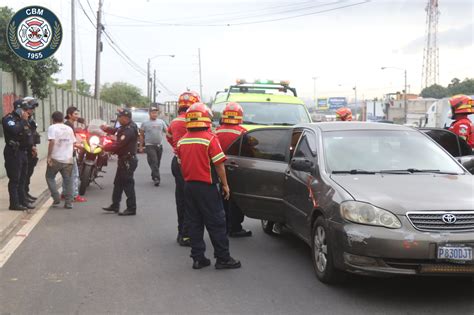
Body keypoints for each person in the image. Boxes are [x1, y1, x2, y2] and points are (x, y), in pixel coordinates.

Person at [177, 102, 241, 270]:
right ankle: (223, 258)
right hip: (207, 187)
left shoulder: (182, 141)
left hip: (189, 187)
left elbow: (181, 162)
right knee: (217, 222)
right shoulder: (210, 138)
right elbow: (219, 164)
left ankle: (198, 258)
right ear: (206, 119)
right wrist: (226, 185)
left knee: (194, 223)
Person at [166, 91, 201, 247]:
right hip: (190, 163)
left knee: (181, 198)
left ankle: (182, 233)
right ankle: (188, 234)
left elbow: (169, 137)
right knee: (192, 199)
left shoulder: (174, 122)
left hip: (177, 161)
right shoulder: (194, 121)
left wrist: (176, 147)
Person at [216, 102, 252, 237]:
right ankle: (235, 227)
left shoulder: (216, 131)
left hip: (218, 169)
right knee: (236, 199)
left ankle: (224, 226)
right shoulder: (242, 132)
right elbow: (249, 152)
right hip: (236, 169)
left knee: (223, 198)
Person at [101, 108, 139, 216]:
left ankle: (131, 208)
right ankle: (115, 205)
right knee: (118, 183)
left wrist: (104, 147)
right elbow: (116, 131)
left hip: (128, 160)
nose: (118, 118)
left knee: (128, 184)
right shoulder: (125, 127)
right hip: (123, 160)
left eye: (119, 116)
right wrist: (106, 129)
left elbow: (118, 145)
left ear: (125, 118)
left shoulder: (129, 130)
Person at [2, 98, 35, 211]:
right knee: (15, 179)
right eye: (24, 109)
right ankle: (14, 204)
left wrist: (32, 147)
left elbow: (29, 135)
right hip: (13, 152)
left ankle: (23, 201)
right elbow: (14, 130)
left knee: (23, 179)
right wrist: (23, 121)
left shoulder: (24, 120)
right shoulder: (8, 119)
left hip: (23, 152)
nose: (27, 111)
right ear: (18, 109)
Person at [45, 111, 76, 209]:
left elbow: (52, 142)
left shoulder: (52, 128)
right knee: (69, 181)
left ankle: (56, 197)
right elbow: (73, 143)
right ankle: (69, 203)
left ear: (52, 119)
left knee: (50, 177)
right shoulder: (69, 129)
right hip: (68, 159)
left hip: (55, 159)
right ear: (63, 119)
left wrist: (49, 156)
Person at [63, 106, 87, 202]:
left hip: (66, 153)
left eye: (78, 114)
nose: (77, 116)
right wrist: (79, 146)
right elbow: (68, 141)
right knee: (74, 174)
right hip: (69, 154)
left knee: (67, 175)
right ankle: (74, 195)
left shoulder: (69, 124)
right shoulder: (69, 125)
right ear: (69, 115)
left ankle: (64, 194)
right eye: (75, 114)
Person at [139, 107, 168, 187]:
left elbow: (167, 132)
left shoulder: (161, 122)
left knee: (157, 162)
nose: (154, 114)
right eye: (152, 113)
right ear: (149, 113)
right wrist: (141, 146)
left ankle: (153, 174)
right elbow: (141, 135)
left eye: (155, 113)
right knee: (154, 161)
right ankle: (156, 178)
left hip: (159, 145)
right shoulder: (145, 123)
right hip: (149, 145)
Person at [23, 97, 40, 203]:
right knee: (23, 175)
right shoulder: (22, 119)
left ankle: (26, 192)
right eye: (31, 107)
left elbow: (32, 135)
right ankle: (23, 195)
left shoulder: (30, 120)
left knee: (28, 173)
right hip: (25, 150)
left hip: (31, 150)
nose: (32, 110)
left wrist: (34, 147)